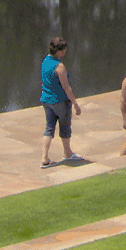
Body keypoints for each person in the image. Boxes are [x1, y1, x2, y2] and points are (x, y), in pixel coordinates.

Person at [40, 36, 82, 168]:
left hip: (46, 100)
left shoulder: (45, 61)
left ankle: (44, 157)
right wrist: (75, 103)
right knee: (65, 127)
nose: (64, 53)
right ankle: (68, 153)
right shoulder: (59, 66)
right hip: (60, 101)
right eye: (63, 50)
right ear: (58, 51)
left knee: (49, 128)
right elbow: (66, 87)